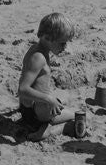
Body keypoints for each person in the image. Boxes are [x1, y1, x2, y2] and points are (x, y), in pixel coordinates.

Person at [18, 13, 79, 141]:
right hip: (38, 113)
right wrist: (49, 99)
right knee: (77, 116)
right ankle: (47, 130)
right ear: (48, 37)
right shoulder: (38, 58)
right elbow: (22, 89)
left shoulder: (36, 49)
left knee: (62, 101)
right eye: (62, 43)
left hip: (30, 110)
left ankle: (45, 124)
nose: (65, 47)